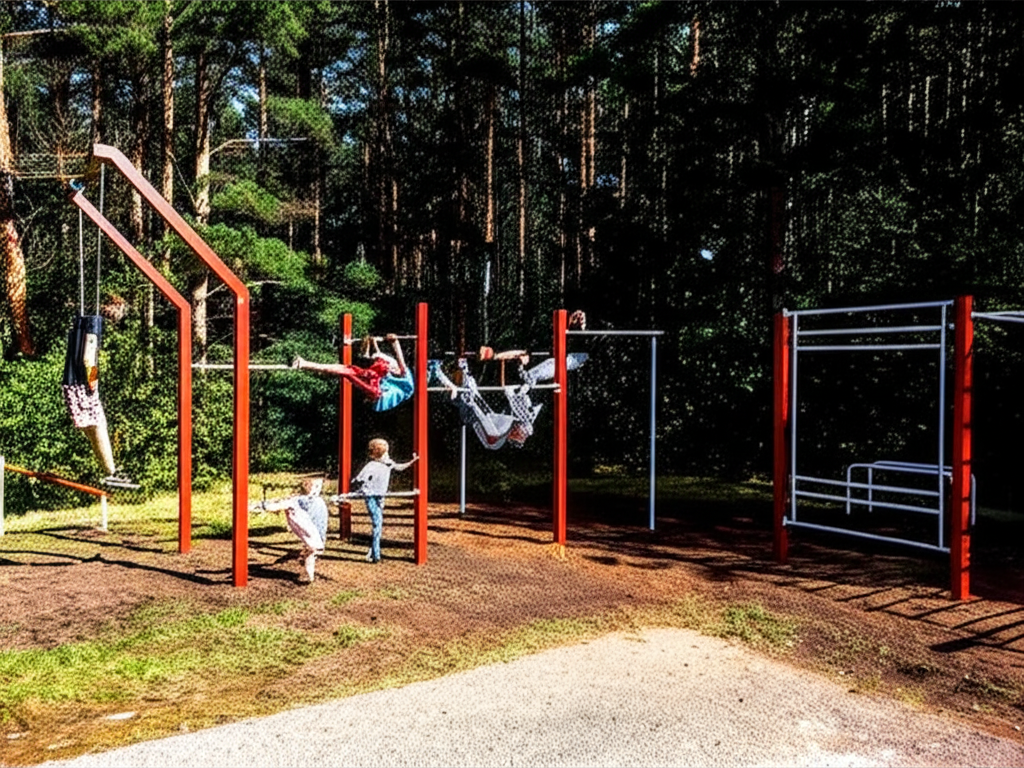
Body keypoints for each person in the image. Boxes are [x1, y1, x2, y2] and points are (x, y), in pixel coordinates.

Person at [292, 334, 414, 412]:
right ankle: (304, 363)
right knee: (345, 370)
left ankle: (304, 364)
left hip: (379, 395)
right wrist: (390, 341)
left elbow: (400, 359)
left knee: (348, 372)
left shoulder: (405, 379)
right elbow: (389, 359)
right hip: (377, 381)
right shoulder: (383, 368)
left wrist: (395, 342)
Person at [349, 439, 418, 563]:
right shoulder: (371, 465)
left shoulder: (389, 463)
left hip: (380, 496)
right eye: (386, 452)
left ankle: (373, 552)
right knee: (377, 523)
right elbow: (359, 479)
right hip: (370, 496)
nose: (388, 455)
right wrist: (357, 489)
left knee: (378, 524)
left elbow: (400, 467)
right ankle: (376, 554)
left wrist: (412, 461)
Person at [251, 477, 329, 583]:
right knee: (312, 550)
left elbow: (276, 506)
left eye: (318, 486)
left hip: (314, 535)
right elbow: (278, 506)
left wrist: (261, 506)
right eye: (315, 486)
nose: (317, 489)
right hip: (314, 536)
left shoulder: (310, 501)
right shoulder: (303, 500)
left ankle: (308, 573)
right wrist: (262, 506)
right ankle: (308, 572)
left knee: (312, 551)